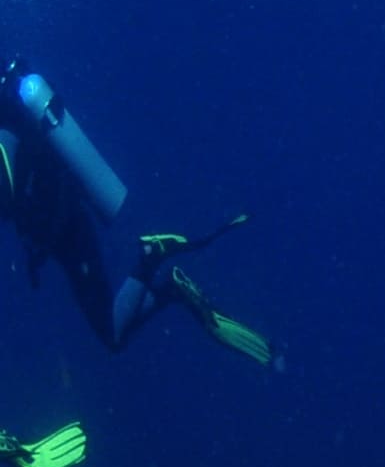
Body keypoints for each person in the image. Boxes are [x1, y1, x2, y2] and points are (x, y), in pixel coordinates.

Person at [0, 67, 268, 366]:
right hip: (59, 228)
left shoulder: (5, 122)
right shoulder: (10, 112)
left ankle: (151, 258)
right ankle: (170, 287)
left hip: (65, 232)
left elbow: (6, 196)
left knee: (112, 333)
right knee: (112, 331)